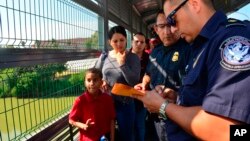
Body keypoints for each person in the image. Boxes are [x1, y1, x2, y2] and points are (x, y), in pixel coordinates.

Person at [134, 0, 250, 141]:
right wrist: (177, 98)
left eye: (173, 20)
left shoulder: (231, 41)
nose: (172, 29)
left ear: (194, 4)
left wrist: (163, 107)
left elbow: (229, 131)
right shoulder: (201, 45)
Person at [134, 9, 190, 141]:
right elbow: (148, 73)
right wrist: (144, 84)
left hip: (178, 118)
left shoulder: (189, 49)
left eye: (171, 24)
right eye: (162, 26)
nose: (167, 31)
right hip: (155, 117)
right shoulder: (154, 53)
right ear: (156, 29)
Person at [95, 25, 140, 141]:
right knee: (107, 136)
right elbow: (95, 74)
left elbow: (133, 81)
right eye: (115, 41)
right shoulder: (104, 56)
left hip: (125, 104)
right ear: (110, 42)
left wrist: (122, 64)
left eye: (122, 40)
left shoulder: (133, 58)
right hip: (106, 102)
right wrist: (102, 81)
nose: (119, 44)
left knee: (127, 136)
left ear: (126, 40)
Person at [69, 68, 116, 141]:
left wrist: (112, 139)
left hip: (105, 138)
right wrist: (83, 126)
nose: (92, 83)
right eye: (88, 80)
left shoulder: (107, 99)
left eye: (95, 80)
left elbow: (112, 120)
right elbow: (71, 120)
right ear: (85, 82)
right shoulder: (80, 101)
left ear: (101, 82)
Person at [129, 32, 149, 141]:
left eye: (142, 42)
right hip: (127, 98)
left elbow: (151, 73)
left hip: (142, 98)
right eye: (136, 41)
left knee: (140, 126)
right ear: (132, 42)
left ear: (145, 44)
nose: (139, 44)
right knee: (130, 127)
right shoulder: (125, 56)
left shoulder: (148, 58)